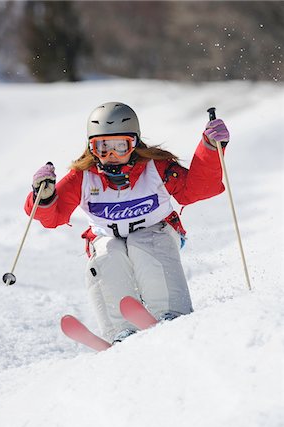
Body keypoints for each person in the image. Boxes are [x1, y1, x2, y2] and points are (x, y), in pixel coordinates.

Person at [25, 102, 229, 343]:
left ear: (135, 143)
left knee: (143, 244)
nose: (111, 156)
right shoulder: (83, 176)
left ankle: (171, 312)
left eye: (121, 146)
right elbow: (53, 216)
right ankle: (119, 329)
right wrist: (44, 197)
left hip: (157, 230)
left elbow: (195, 190)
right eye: (102, 147)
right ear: (92, 147)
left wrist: (210, 148)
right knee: (108, 254)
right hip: (106, 236)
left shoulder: (155, 167)